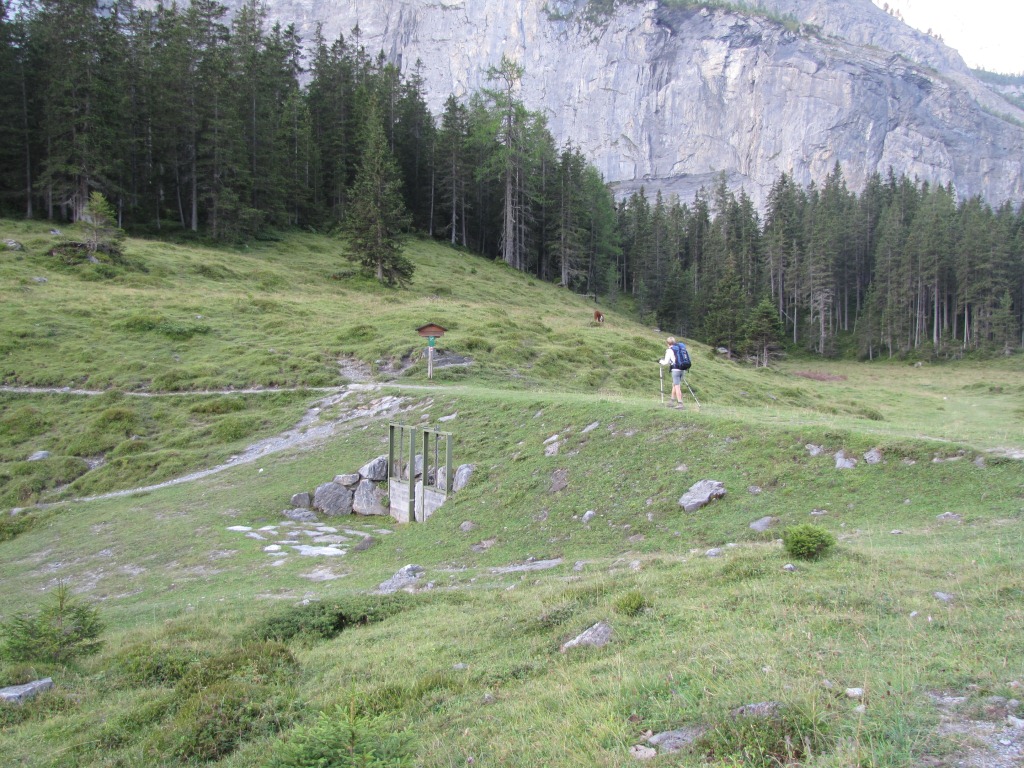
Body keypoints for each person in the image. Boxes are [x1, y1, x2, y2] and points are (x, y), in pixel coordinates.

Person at [659, 337, 685, 408]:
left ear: (667, 343)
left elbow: (666, 362)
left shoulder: (669, 350)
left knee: (677, 386)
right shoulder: (680, 348)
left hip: (675, 369)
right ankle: (671, 401)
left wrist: (660, 361)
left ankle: (680, 403)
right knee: (675, 384)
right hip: (683, 369)